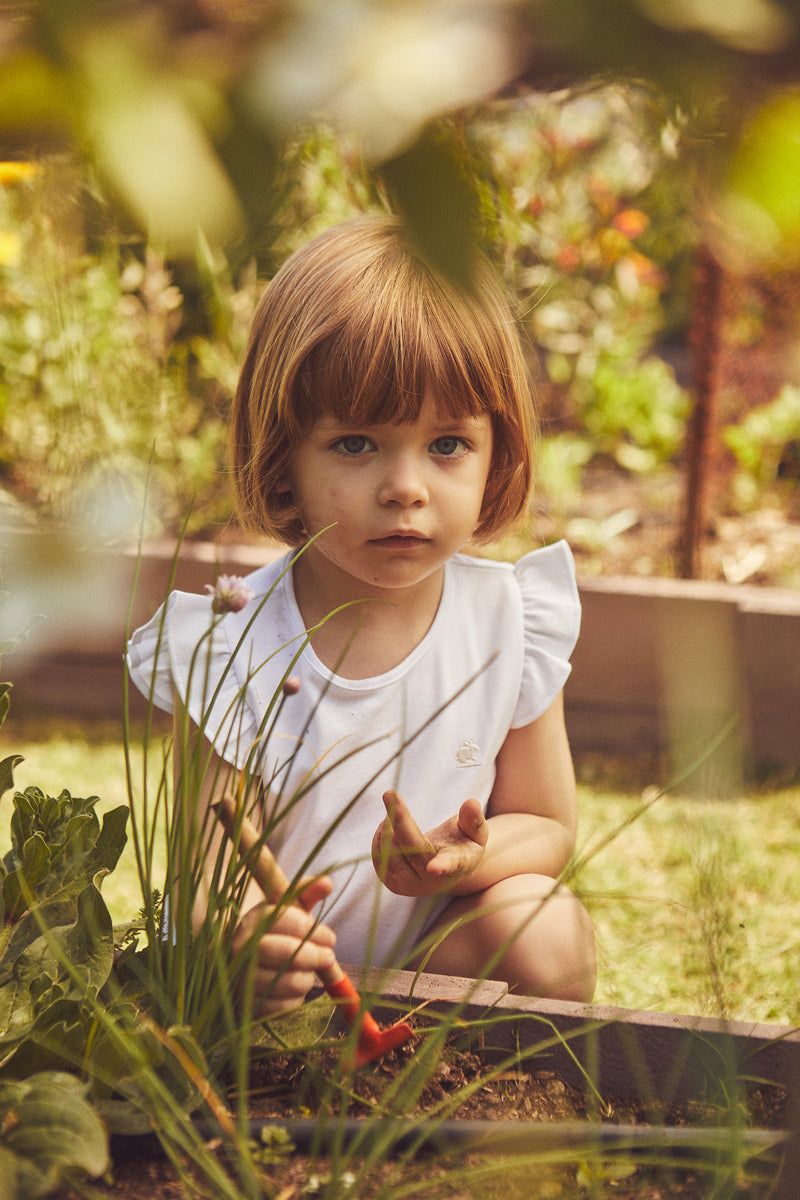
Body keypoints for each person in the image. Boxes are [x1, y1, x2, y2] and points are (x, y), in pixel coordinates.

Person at [127, 214, 596, 1017]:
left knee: (551, 931)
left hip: (429, 969)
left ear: (498, 453)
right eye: (355, 445)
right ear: (283, 459)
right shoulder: (238, 644)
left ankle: (487, 1113)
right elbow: (200, 874)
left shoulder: (507, 619)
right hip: (285, 993)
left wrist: (466, 857)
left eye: (448, 444)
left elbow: (547, 826)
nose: (405, 487)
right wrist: (243, 939)